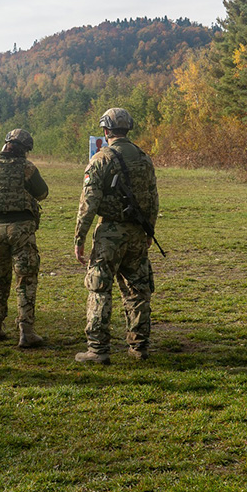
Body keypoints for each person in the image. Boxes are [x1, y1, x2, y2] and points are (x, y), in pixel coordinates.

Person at [73, 108, 159, 364]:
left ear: (105, 130)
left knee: (99, 289)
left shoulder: (100, 160)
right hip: (136, 232)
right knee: (138, 290)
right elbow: (153, 199)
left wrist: (79, 239)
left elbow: (88, 204)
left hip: (109, 233)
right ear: (127, 129)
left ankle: (97, 350)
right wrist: (148, 232)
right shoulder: (144, 158)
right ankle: (139, 347)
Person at [0, 128, 50, 348]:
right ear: (24, 149)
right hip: (21, 230)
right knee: (25, 280)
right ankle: (26, 332)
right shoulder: (27, 168)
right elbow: (42, 193)